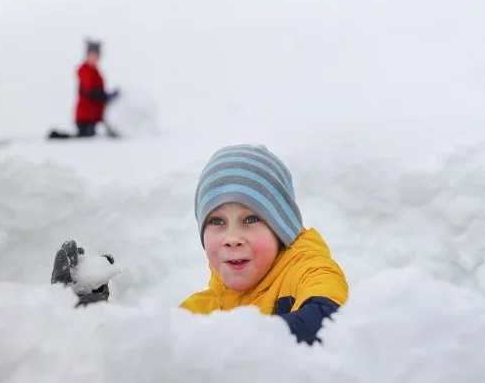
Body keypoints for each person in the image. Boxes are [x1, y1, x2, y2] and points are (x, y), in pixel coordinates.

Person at [51, 144, 350, 345]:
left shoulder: (308, 271)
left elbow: (329, 320)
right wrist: (87, 324)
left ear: (281, 228)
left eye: (251, 219)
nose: (232, 238)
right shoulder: (198, 312)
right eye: (217, 222)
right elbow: (143, 370)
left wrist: (224, 345)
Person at [74, 39, 119, 137]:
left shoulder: (95, 71)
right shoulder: (85, 70)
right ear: (87, 55)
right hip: (85, 116)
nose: (94, 58)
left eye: (96, 56)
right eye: (92, 55)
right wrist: (105, 96)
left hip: (93, 116)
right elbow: (89, 92)